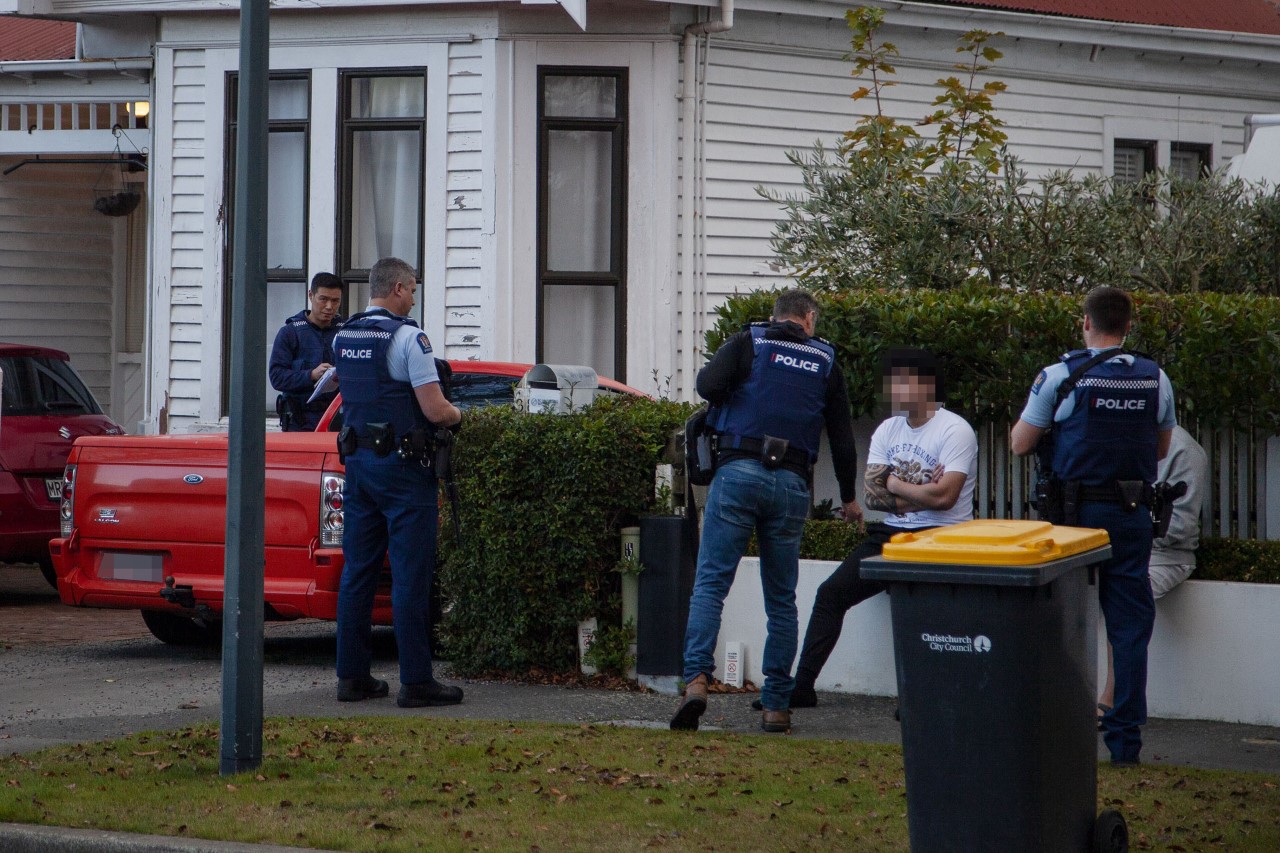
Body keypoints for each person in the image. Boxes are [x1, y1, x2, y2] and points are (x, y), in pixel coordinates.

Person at [670, 289, 863, 734]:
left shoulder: (749, 342)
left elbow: (705, 386)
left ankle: (697, 682)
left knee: (711, 584)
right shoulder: (826, 361)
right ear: (809, 319)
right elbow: (841, 438)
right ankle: (776, 705)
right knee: (782, 599)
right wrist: (850, 498)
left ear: (776, 316)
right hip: (792, 483)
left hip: (738, 474)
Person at [1010, 285, 1176, 768]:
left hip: (1073, 519)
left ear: (1086, 322)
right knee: (1128, 628)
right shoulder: (1155, 378)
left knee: (1061, 619)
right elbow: (1161, 449)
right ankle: (1125, 744)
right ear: (1127, 326)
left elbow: (1021, 444)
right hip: (1130, 516)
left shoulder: (1060, 375)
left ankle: (1055, 727)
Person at [785, 348, 977, 708]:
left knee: (924, 614)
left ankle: (921, 701)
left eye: (903, 382)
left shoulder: (955, 430)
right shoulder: (888, 429)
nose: (895, 390)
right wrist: (921, 488)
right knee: (830, 594)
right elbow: (872, 498)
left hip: (941, 537)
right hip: (889, 534)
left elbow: (945, 499)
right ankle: (802, 687)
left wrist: (895, 484)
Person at [332, 257, 463, 708]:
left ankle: (351, 677)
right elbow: (435, 410)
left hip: (359, 467)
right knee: (411, 575)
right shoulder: (410, 338)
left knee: (358, 572)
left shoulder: (343, 335)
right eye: (412, 289)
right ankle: (417, 681)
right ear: (398, 289)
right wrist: (461, 415)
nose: (414, 297)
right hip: (404, 472)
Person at [1098, 425, 1208, 718]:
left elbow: (1181, 525)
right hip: (1117, 548)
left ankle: (1112, 700)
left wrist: (1129, 529)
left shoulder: (1185, 451)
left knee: (1123, 596)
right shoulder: (1122, 439)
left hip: (1164, 556)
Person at [269, 273, 345, 432]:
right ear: (311, 295)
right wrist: (310, 375)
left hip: (338, 420)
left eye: (335, 300)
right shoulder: (290, 333)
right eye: (323, 299)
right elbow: (276, 377)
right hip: (300, 422)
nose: (329, 306)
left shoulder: (346, 331)